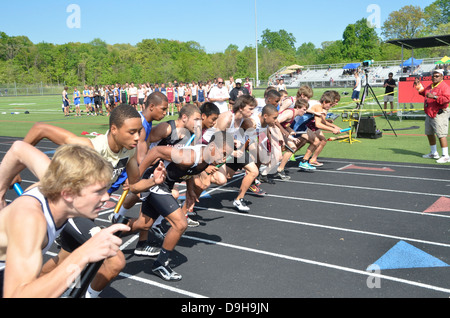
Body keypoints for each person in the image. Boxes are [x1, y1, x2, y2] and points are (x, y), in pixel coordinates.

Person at [20, 105, 164, 298]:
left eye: (139, 132)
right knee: (115, 260)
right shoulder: (90, 147)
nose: (138, 137)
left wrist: (154, 180)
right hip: (65, 209)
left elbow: (134, 184)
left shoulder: (127, 152)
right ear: (114, 129)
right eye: (132, 132)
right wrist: (15, 169)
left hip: (84, 213)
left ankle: (32, 289)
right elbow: (40, 128)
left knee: (67, 261)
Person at [0, 142, 130, 298]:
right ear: (68, 194)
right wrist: (84, 253)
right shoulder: (30, 221)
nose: (106, 197)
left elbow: (19, 149)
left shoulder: (57, 179)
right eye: (98, 191)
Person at [124, 130, 234, 281]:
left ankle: (108, 235)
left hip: (164, 185)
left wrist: (190, 190)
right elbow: (155, 151)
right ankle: (160, 264)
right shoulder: (187, 156)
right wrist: (135, 178)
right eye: (222, 153)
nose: (223, 159)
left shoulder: (206, 159)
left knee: (143, 224)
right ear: (212, 146)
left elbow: (190, 172)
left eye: (226, 156)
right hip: (155, 182)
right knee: (180, 224)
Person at [414, 69, 450, 163]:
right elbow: (423, 92)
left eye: (437, 76)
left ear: (442, 77)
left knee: (441, 134)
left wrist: (434, 97)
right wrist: (418, 85)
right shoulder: (431, 86)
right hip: (429, 112)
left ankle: (445, 155)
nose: (434, 78)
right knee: (429, 133)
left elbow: (447, 99)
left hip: (439, 113)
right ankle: (434, 153)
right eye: (433, 76)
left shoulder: (444, 87)